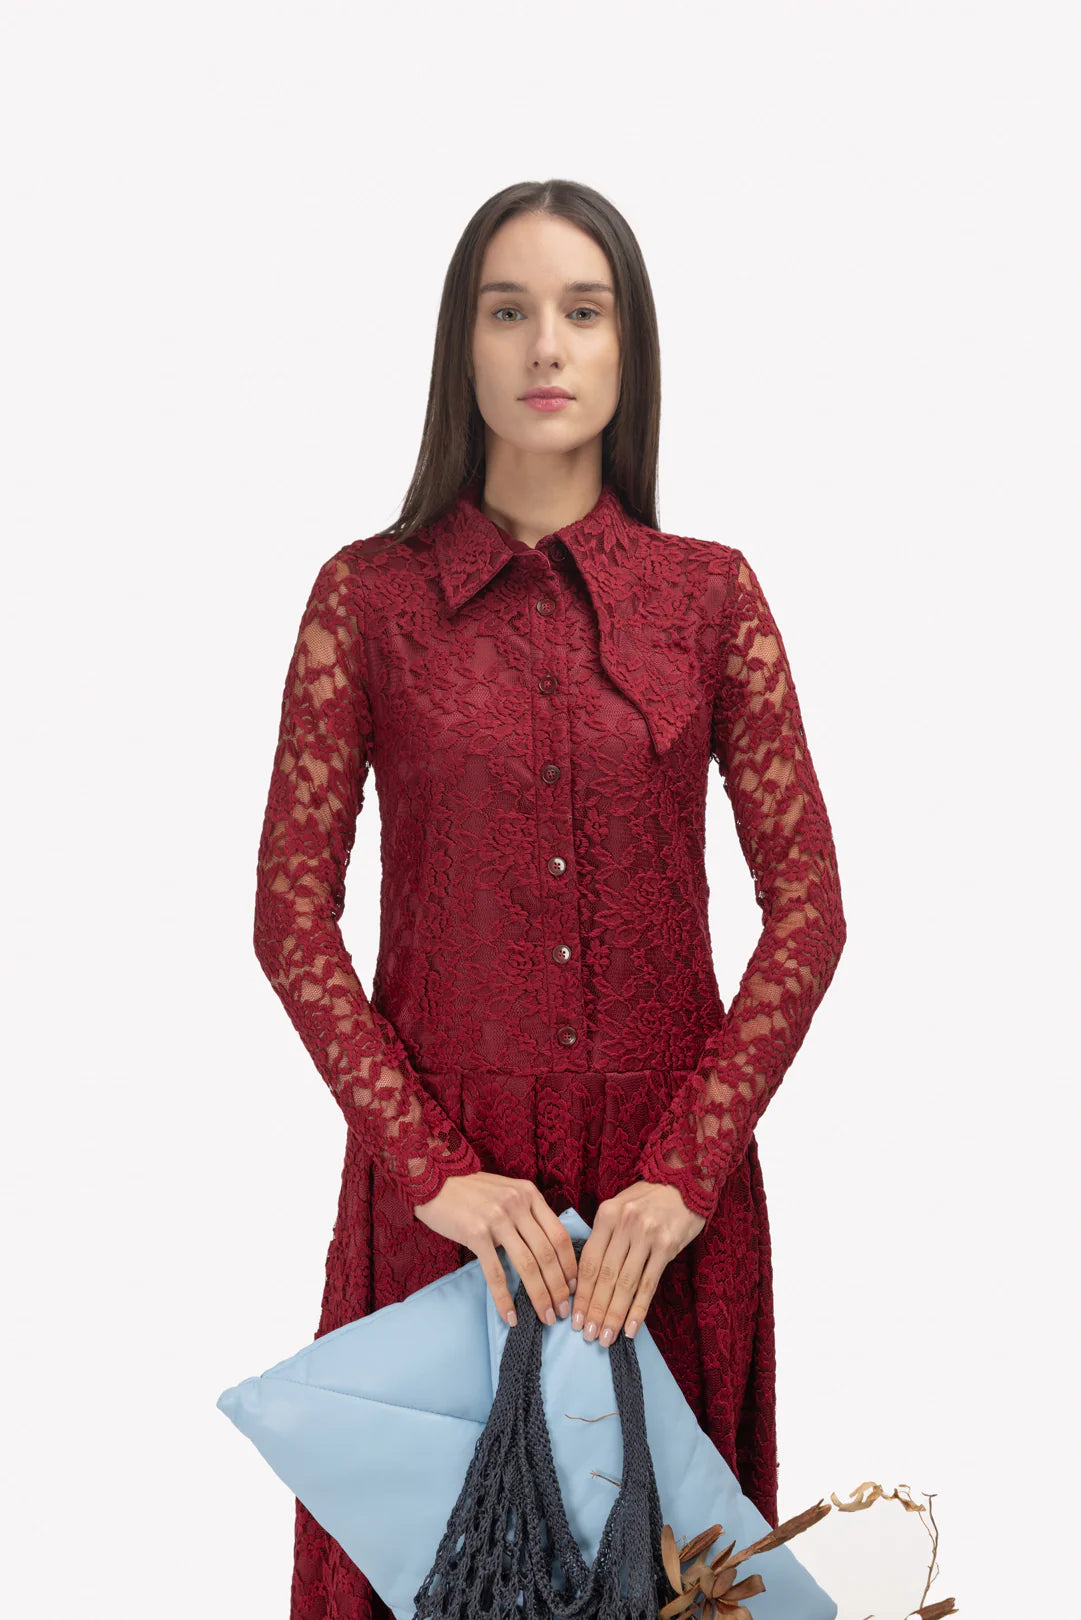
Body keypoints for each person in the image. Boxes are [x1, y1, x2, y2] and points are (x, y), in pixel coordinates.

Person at [252, 177, 847, 1620]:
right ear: (460, 346)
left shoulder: (710, 598)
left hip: (659, 1218)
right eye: (506, 311)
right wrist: (430, 1170)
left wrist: (686, 1173)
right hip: (448, 1211)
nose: (545, 347)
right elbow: (290, 917)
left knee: (673, 1574)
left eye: (583, 311)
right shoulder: (366, 600)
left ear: (628, 346)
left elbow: (808, 909)